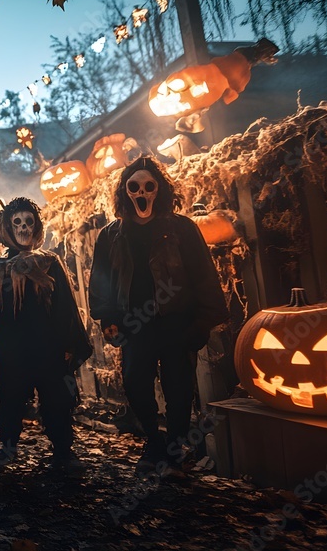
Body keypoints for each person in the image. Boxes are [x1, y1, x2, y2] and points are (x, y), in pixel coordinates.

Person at [88, 156, 228, 474]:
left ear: (159, 191)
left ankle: (175, 444)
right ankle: (153, 441)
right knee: (136, 384)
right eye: (134, 186)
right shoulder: (111, 235)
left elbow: (204, 275)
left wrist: (203, 321)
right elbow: (101, 281)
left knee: (179, 387)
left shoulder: (182, 230)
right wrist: (109, 319)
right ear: (125, 192)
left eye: (149, 187)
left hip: (177, 322)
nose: (142, 193)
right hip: (135, 326)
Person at [0, 197, 92, 470]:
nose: (23, 228)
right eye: (16, 222)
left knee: (56, 400)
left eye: (28, 222)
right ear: (7, 228)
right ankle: (7, 448)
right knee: (9, 400)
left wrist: (69, 343)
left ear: (37, 227)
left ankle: (63, 450)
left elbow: (66, 305)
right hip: (10, 351)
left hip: (48, 348)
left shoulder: (50, 263)